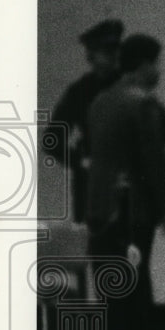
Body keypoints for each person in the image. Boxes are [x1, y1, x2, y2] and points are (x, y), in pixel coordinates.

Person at [86, 34, 165, 330]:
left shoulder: (99, 101)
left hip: (99, 205)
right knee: (136, 276)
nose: (160, 70)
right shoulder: (143, 103)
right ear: (144, 65)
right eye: (157, 62)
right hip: (131, 205)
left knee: (110, 280)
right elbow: (154, 158)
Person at [47, 19, 124, 222]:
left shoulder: (128, 87)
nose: (113, 56)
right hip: (91, 183)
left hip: (125, 180)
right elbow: (52, 140)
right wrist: (80, 162)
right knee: (93, 247)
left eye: (115, 50)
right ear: (91, 55)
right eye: (106, 51)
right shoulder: (80, 91)